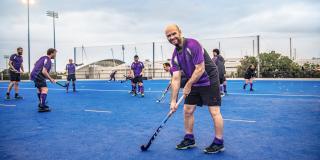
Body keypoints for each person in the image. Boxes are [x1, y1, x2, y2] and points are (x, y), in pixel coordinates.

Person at [165, 24, 224, 154]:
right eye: (168, 36)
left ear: (180, 32)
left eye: (174, 33)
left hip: (209, 79)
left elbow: (200, 69)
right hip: (194, 80)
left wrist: (188, 85)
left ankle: (219, 142)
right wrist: (173, 101)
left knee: (214, 111)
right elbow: (175, 78)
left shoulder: (193, 44)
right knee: (187, 110)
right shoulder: (175, 56)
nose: (172, 37)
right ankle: (189, 139)